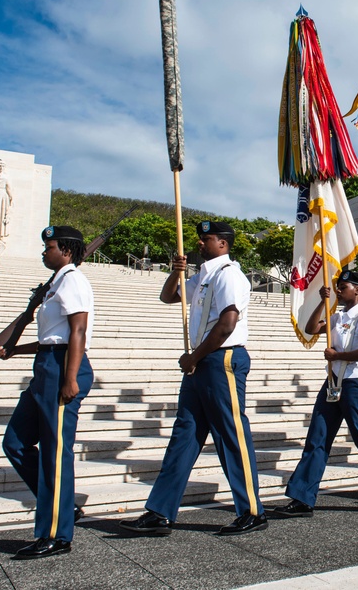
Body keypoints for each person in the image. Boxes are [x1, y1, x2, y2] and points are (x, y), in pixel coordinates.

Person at [119, 221, 265, 537]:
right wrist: (177, 271)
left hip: (220, 358)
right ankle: (160, 511)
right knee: (184, 434)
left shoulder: (229, 275)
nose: (199, 243)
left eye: (207, 239)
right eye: (199, 238)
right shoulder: (202, 277)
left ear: (223, 244)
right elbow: (168, 296)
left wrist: (194, 357)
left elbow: (227, 323)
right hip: (201, 361)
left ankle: (252, 510)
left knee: (231, 434)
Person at [0, 225, 94, 559]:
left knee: (54, 452)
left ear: (66, 250)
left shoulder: (73, 281)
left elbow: (77, 330)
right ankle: (63, 507)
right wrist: (17, 348)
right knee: (15, 442)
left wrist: (70, 378)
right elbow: (51, 337)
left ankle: (55, 534)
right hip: (47, 364)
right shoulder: (56, 285)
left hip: (64, 367)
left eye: (48, 246)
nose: (43, 252)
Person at [273, 270, 358, 518]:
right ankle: (302, 497)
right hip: (333, 383)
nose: (339, 289)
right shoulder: (337, 316)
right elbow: (310, 328)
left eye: (344, 286)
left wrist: (337, 355)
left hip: (355, 382)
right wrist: (322, 301)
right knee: (317, 437)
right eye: (338, 286)